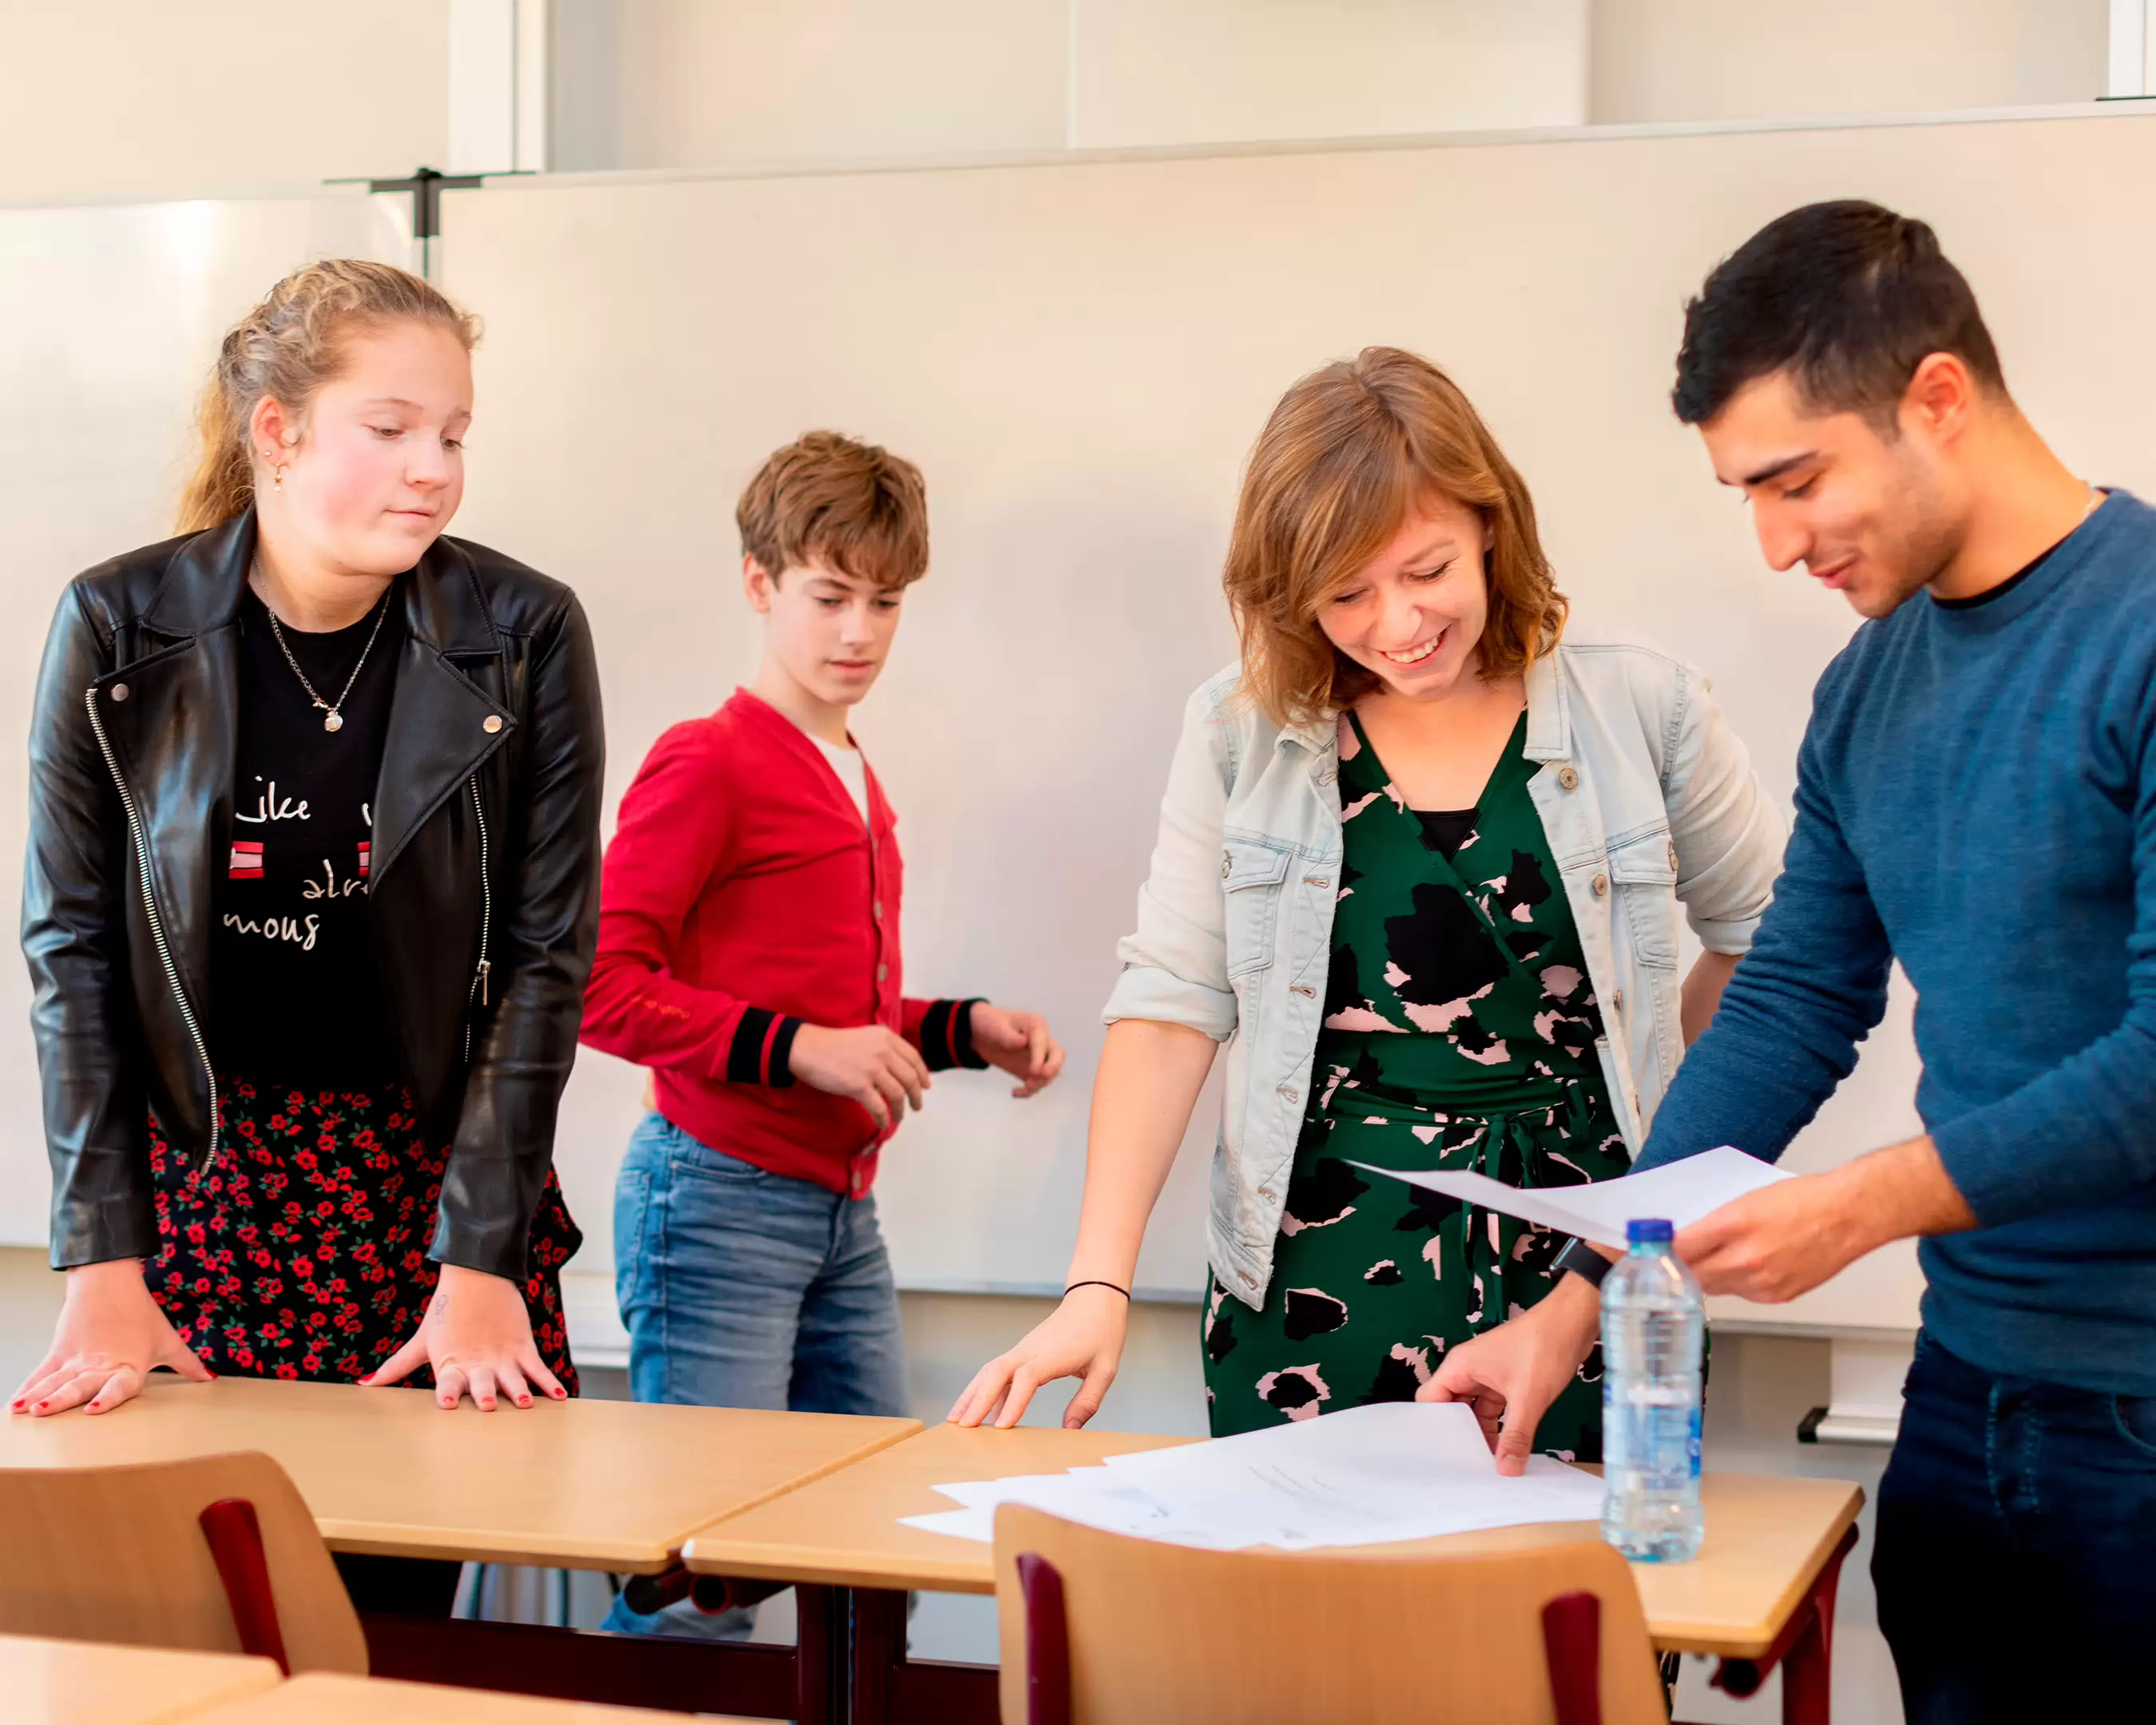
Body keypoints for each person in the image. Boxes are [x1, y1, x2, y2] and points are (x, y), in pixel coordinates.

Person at [1421, 199, 2156, 1720]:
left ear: (1936, 398)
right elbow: (1790, 1010)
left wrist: (1858, 1207)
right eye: (1742, 495)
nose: (1773, 545)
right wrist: (1572, 1306)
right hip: (1970, 1393)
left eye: (1796, 480)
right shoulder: (1868, 689)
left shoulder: (2141, 633)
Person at [952, 347, 1782, 1450]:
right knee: (1311, 1616)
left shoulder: (1646, 706)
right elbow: (1171, 1001)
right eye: (1347, 594)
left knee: (1574, 1616)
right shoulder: (1242, 731)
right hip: (1316, 1263)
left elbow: (1771, 959)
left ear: (1491, 521)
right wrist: (1097, 1285)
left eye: (1426, 569)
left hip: (1588, 1282)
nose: (1398, 624)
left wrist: (1672, 1165)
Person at [12, 260, 604, 1612]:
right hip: (201, 1207)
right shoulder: (119, 626)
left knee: (391, 1643)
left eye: (454, 434)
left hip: (425, 1208)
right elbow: (74, 958)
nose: (434, 471)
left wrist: (483, 1259)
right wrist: (104, 1261)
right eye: (389, 430)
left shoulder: (521, 634)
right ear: (276, 431)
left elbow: (542, 964)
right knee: (187, 1631)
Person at [580, 429, 1064, 1638]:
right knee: (702, 1572)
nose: (859, 632)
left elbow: (833, 1015)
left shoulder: (851, 770)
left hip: (839, 1211)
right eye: (829, 596)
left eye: (885, 602)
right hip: (715, 1202)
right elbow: (596, 984)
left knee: (871, 1547)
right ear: (760, 584)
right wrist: (801, 1049)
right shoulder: (709, 760)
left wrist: (963, 1030)